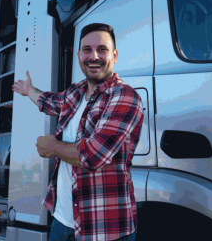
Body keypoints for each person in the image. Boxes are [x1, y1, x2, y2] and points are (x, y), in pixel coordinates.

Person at [12, 23, 144, 241]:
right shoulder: (76, 91)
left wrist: (53, 146)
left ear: (115, 55)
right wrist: (29, 91)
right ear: (79, 55)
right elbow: (51, 102)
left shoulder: (125, 96)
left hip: (103, 229)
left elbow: (93, 155)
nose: (94, 56)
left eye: (102, 49)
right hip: (62, 222)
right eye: (86, 50)